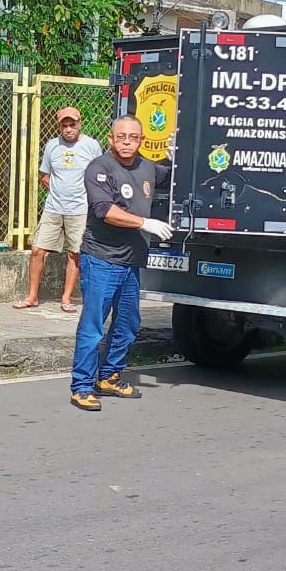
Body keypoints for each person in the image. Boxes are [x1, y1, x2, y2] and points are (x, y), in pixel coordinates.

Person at [68, 116, 174, 412]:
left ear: (141, 140)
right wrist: (145, 222)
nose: (127, 142)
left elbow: (169, 174)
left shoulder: (147, 167)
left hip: (130, 263)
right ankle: (82, 386)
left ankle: (110, 376)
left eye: (134, 137)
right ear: (111, 138)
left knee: (128, 325)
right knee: (93, 327)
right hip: (101, 258)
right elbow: (105, 210)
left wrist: (175, 156)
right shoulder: (99, 168)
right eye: (122, 137)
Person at [14, 106, 102, 312]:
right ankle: (33, 296)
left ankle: (66, 298)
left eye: (72, 125)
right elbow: (44, 174)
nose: (69, 129)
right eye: (65, 125)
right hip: (53, 208)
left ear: (80, 124)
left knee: (75, 254)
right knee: (37, 250)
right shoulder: (52, 146)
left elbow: (99, 175)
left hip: (80, 210)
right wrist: (57, 191)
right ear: (59, 126)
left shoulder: (92, 146)